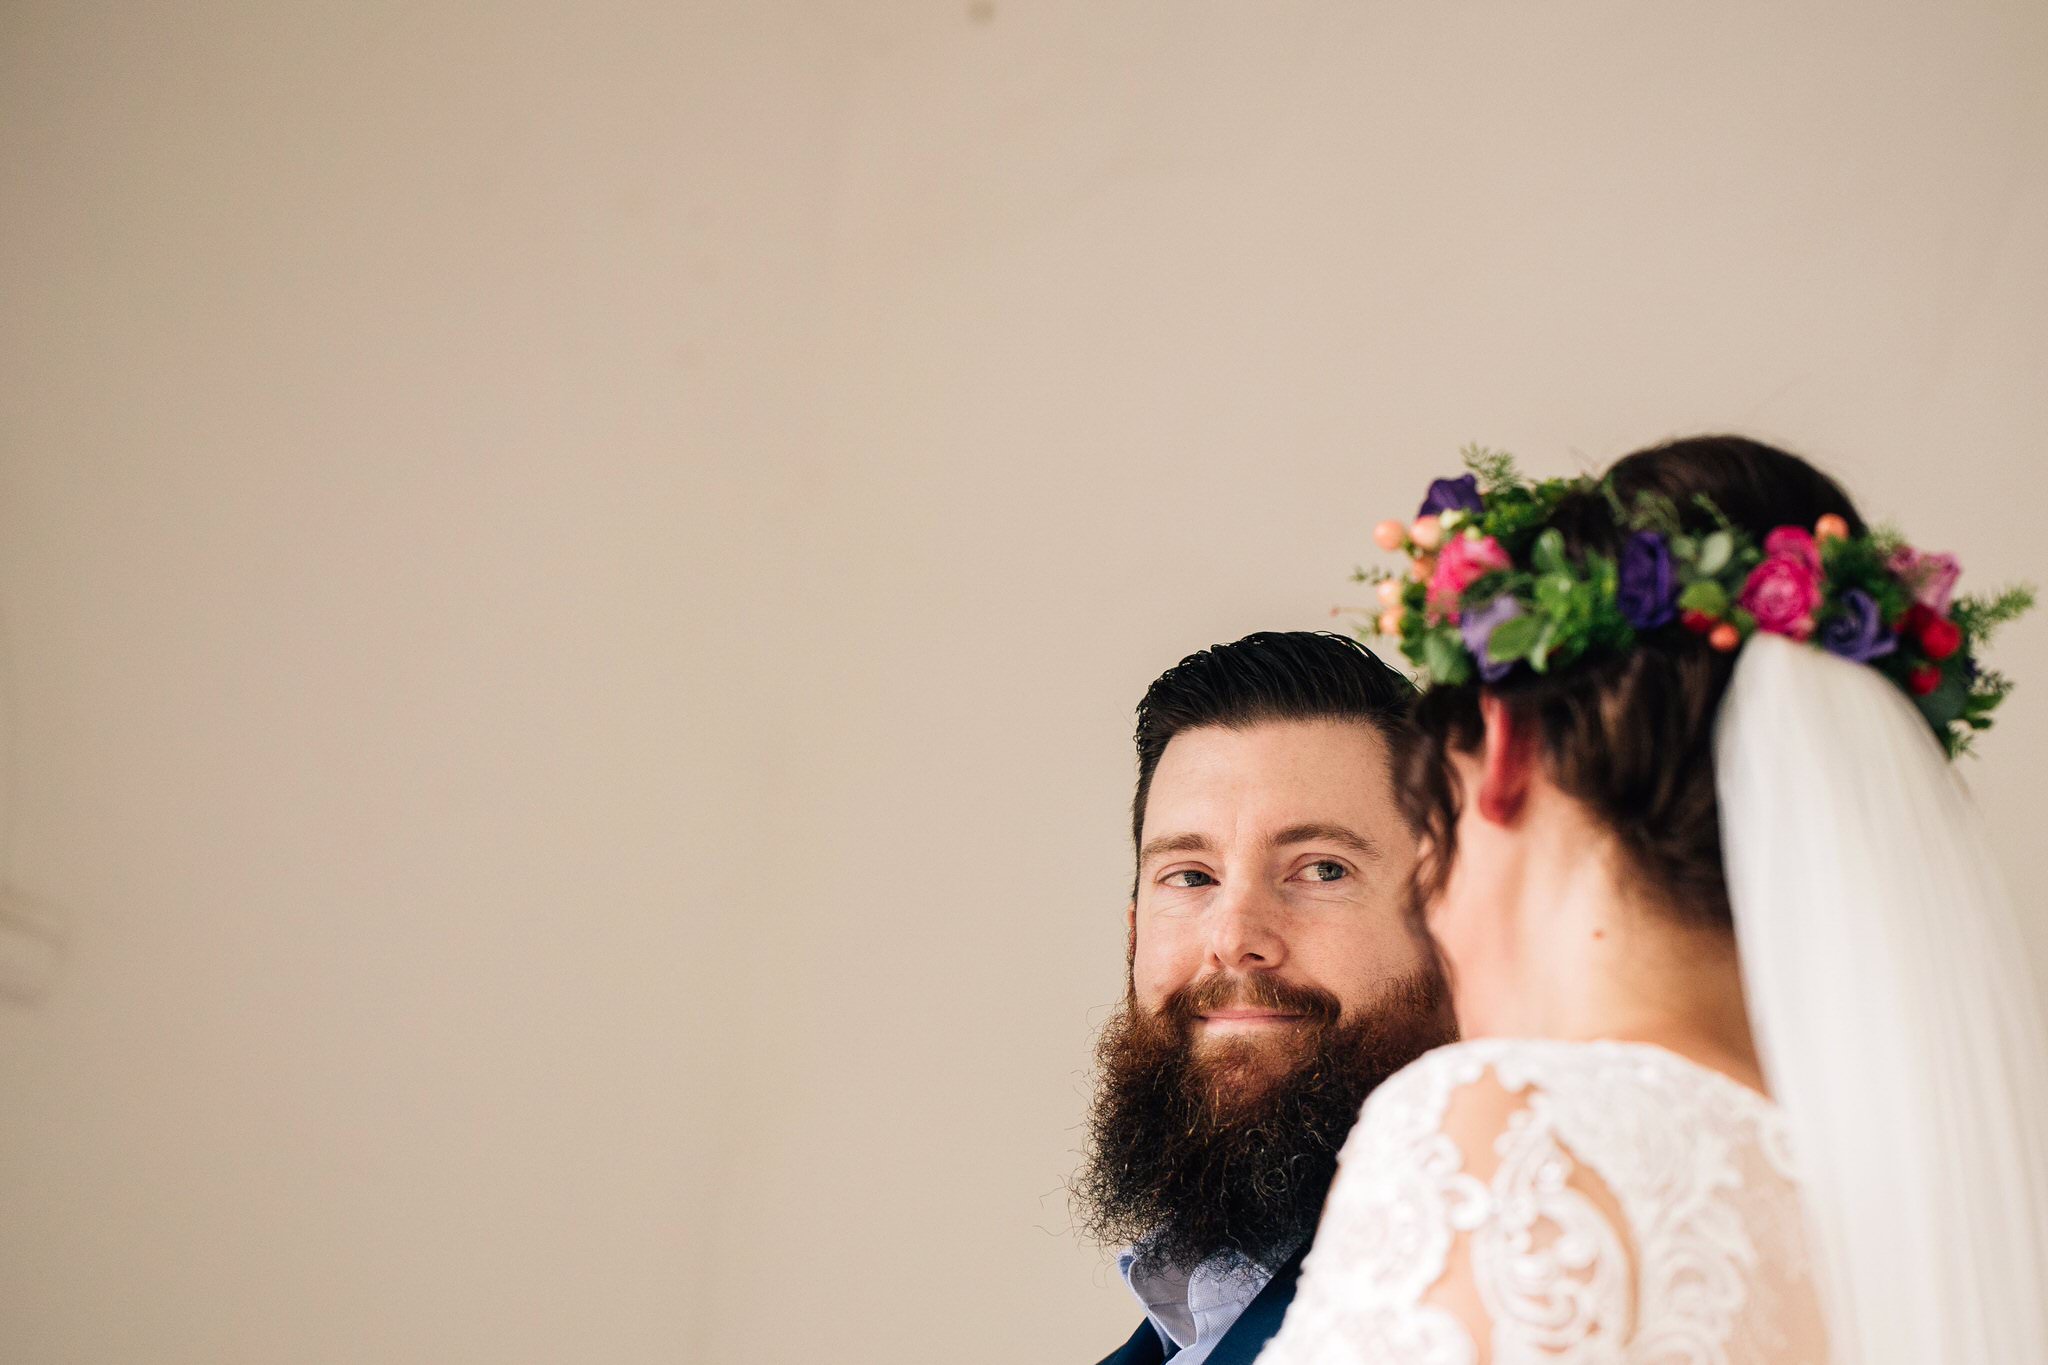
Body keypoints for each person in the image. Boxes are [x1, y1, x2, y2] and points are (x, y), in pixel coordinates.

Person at [1256, 436, 2048, 1364]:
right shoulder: (1923, 1208)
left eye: (1435, 819)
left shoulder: (1504, 1130)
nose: (1433, 906)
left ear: (1506, 749)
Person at [1074, 631, 1459, 1365]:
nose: (1235, 937)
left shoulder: (1501, 1296)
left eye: (1321, 868)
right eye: (1190, 876)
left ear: (1447, 921)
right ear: (1131, 933)